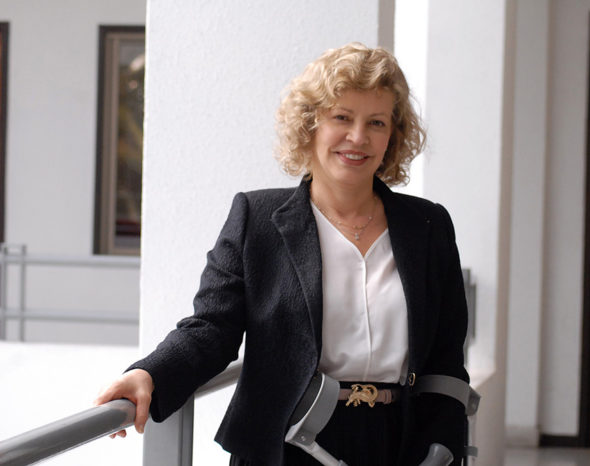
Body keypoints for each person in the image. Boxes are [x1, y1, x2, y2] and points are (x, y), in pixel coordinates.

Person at [95, 42, 470, 466]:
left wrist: (441, 450)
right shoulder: (256, 218)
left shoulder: (428, 226)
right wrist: (149, 373)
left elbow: (445, 356)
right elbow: (211, 329)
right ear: (310, 125)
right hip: (285, 444)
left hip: (400, 444)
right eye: (342, 117)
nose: (358, 137)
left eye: (376, 122)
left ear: (393, 135)